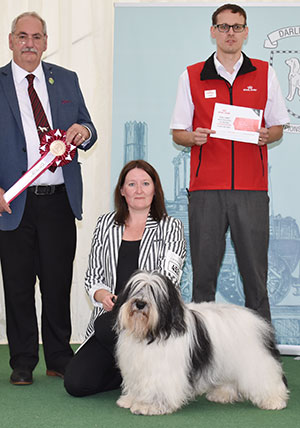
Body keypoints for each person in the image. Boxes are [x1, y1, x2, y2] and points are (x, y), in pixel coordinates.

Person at [170, 3, 289, 321]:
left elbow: (278, 125)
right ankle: (201, 355)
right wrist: (192, 137)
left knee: (255, 279)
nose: (230, 33)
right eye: (223, 27)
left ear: (246, 31)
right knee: (203, 280)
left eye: (237, 27)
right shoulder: (192, 75)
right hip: (206, 189)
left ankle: (262, 357)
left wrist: (267, 134)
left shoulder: (265, 72)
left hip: (251, 189)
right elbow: (178, 132)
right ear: (213, 32)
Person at [0, 12, 97, 385]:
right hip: (13, 204)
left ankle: (58, 356)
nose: (30, 43)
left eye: (37, 37)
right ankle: (22, 361)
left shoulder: (65, 79)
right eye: (22, 36)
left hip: (59, 199)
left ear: (45, 41)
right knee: (18, 285)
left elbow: (90, 127)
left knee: (57, 282)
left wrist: (83, 131)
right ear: (11, 41)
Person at [64, 160, 186, 397]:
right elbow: (94, 274)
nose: (139, 190)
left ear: (155, 189)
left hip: (153, 322)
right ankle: (130, 372)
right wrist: (101, 295)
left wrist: (130, 299)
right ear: (122, 190)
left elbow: (168, 278)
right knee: (76, 384)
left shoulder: (171, 226)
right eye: (131, 184)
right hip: (113, 322)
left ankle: (149, 370)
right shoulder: (105, 224)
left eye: (145, 183)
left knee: (105, 327)